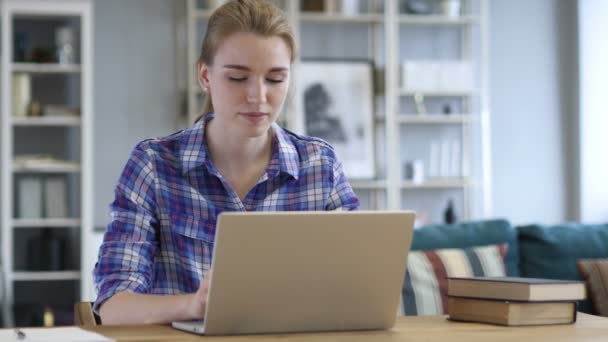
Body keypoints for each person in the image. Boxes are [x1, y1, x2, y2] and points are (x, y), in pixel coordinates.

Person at [93, 0, 359, 325]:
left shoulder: (320, 165)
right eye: (237, 78)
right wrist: (194, 306)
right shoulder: (154, 166)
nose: (258, 96)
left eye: (275, 79)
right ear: (205, 75)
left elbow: (356, 288)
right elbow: (113, 307)